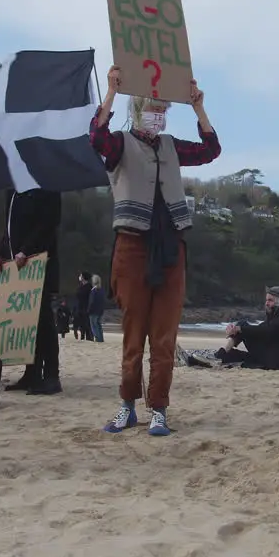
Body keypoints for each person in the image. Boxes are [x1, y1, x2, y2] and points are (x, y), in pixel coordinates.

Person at [91, 65, 221, 437]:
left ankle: (159, 408)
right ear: (137, 110)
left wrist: (198, 108)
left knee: (164, 336)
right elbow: (96, 138)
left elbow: (211, 150)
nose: (158, 116)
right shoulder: (119, 143)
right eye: (153, 109)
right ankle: (127, 404)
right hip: (132, 246)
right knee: (133, 333)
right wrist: (112, 92)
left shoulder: (171, 146)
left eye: (163, 110)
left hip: (171, 248)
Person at [0, 189, 63, 395]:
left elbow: (49, 224)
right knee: (27, 322)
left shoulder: (48, 186)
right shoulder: (13, 191)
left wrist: (28, 248)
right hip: (18, 269)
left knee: (43, 321)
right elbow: (9, 230)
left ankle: (51, 375)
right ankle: (31, 373)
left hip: (40, 265)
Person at [215, 287, 279, 371]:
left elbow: (268, 330)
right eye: (266, 300)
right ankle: (224, 353)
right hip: (275, 356)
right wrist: (237, 329)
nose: (266, 303)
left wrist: (240, 329)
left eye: (270, 300)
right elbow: (262, 328)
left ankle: (222, 354)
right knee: (234, 353)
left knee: (242, 325)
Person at [75, 271, 92, 341]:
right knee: (81, 323)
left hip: (86, 307)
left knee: (87, 323)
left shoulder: (89, 287)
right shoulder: (80, 286)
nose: (80, 277)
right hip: (80, 306)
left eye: (81, 276)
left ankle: (89, 338)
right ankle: (82, 337)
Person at [88, 275, 106, 342]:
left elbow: (91, 301)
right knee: (98, 325)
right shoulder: (102, 290)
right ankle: (101, 338)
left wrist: (89, 310)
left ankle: (98, 338)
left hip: (93, 311)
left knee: (93, 325)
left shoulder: (93, 290)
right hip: (100, 310)